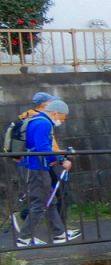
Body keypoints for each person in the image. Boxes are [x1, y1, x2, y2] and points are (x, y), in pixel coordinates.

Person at [16, 98, 80, 246]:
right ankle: (24, 238)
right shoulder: (43, 123)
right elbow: (42, 147)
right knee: (40, 203)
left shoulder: (37, 120)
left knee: (50, 200)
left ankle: (59, 234)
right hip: (37, 167)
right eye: (63, 117)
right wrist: (61, 160)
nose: (63, 121)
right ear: (56, 113)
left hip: (37, 166)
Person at [10, 92, 62, 234]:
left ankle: (58, 232)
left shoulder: (29, 117)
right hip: (39, 163)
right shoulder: (40, 120)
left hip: (35, 162)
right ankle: (25, 235)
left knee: (49, 197)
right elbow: (43, 145)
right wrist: (57, 159)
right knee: (41, 198)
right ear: (45, 104)